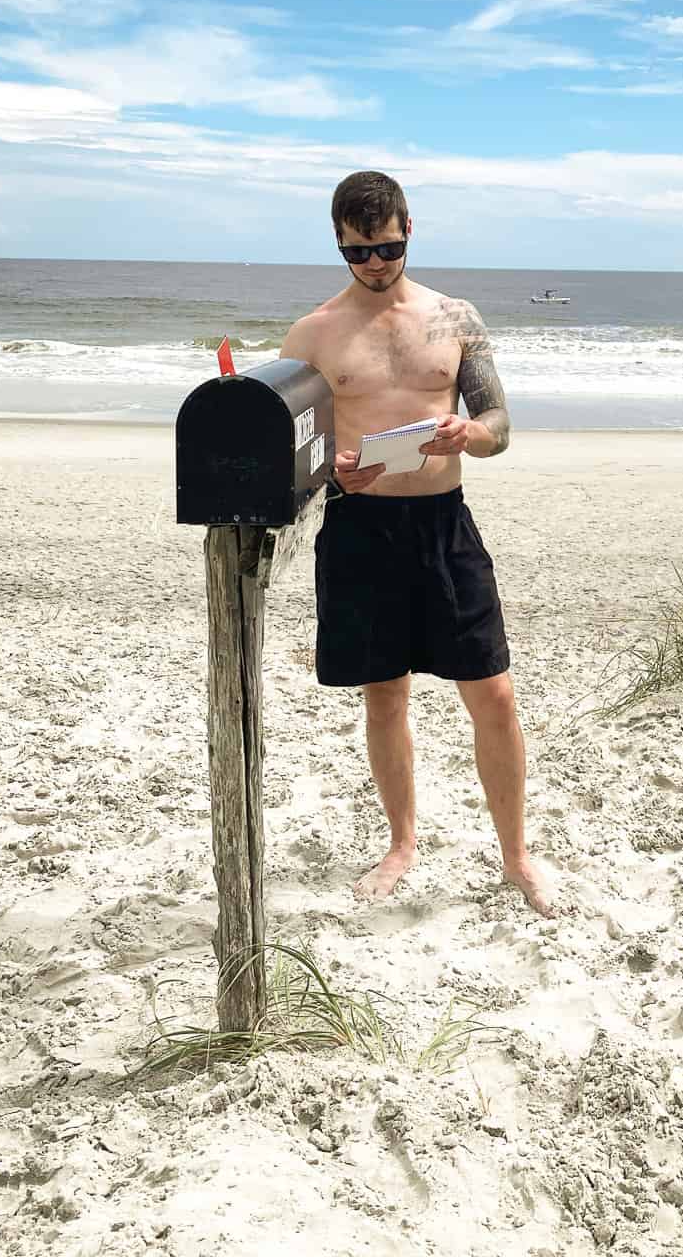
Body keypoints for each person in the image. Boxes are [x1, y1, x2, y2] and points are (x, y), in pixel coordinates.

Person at [279, 170, 553, 916]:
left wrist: (471, 433)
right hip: (362, 532)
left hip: (444, 525)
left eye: (389, 247)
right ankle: (402, 843)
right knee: (385, 697)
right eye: (360, 252)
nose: (376, 263)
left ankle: (517, 856)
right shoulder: (312, 335)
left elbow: (500, 425)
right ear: (339, 242)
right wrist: (328, 475)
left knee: (494, 694)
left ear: (409, 230)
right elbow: (294, 456)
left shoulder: (453, 318)